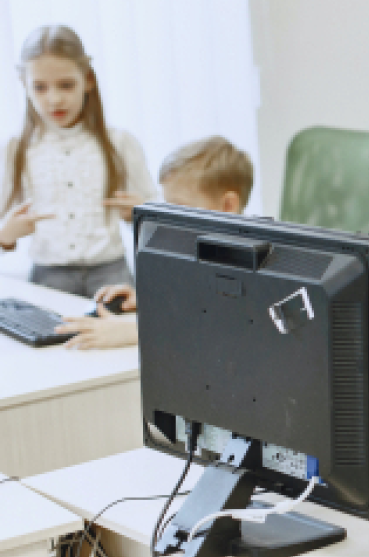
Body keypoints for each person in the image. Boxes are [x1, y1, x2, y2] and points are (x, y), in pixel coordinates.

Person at [0, 25, 156, 297]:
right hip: (48, 277)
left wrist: (140, 213)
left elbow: (158, 221)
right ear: (24, 84)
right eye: (40, 87)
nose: (55, 99)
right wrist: (6, 235)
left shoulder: (120, 142)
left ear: (88, 80)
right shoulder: (17, 149)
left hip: (112, 275)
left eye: (66, 85)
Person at [54, 136, 253, 349]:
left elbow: (222, 324)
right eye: (167, 206)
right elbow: (194, 304)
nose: (170, 218)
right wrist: (147, 301)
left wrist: (135, 331)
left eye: (180, 207)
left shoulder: (246, 260)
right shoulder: (193, 248)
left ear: (228, 205)